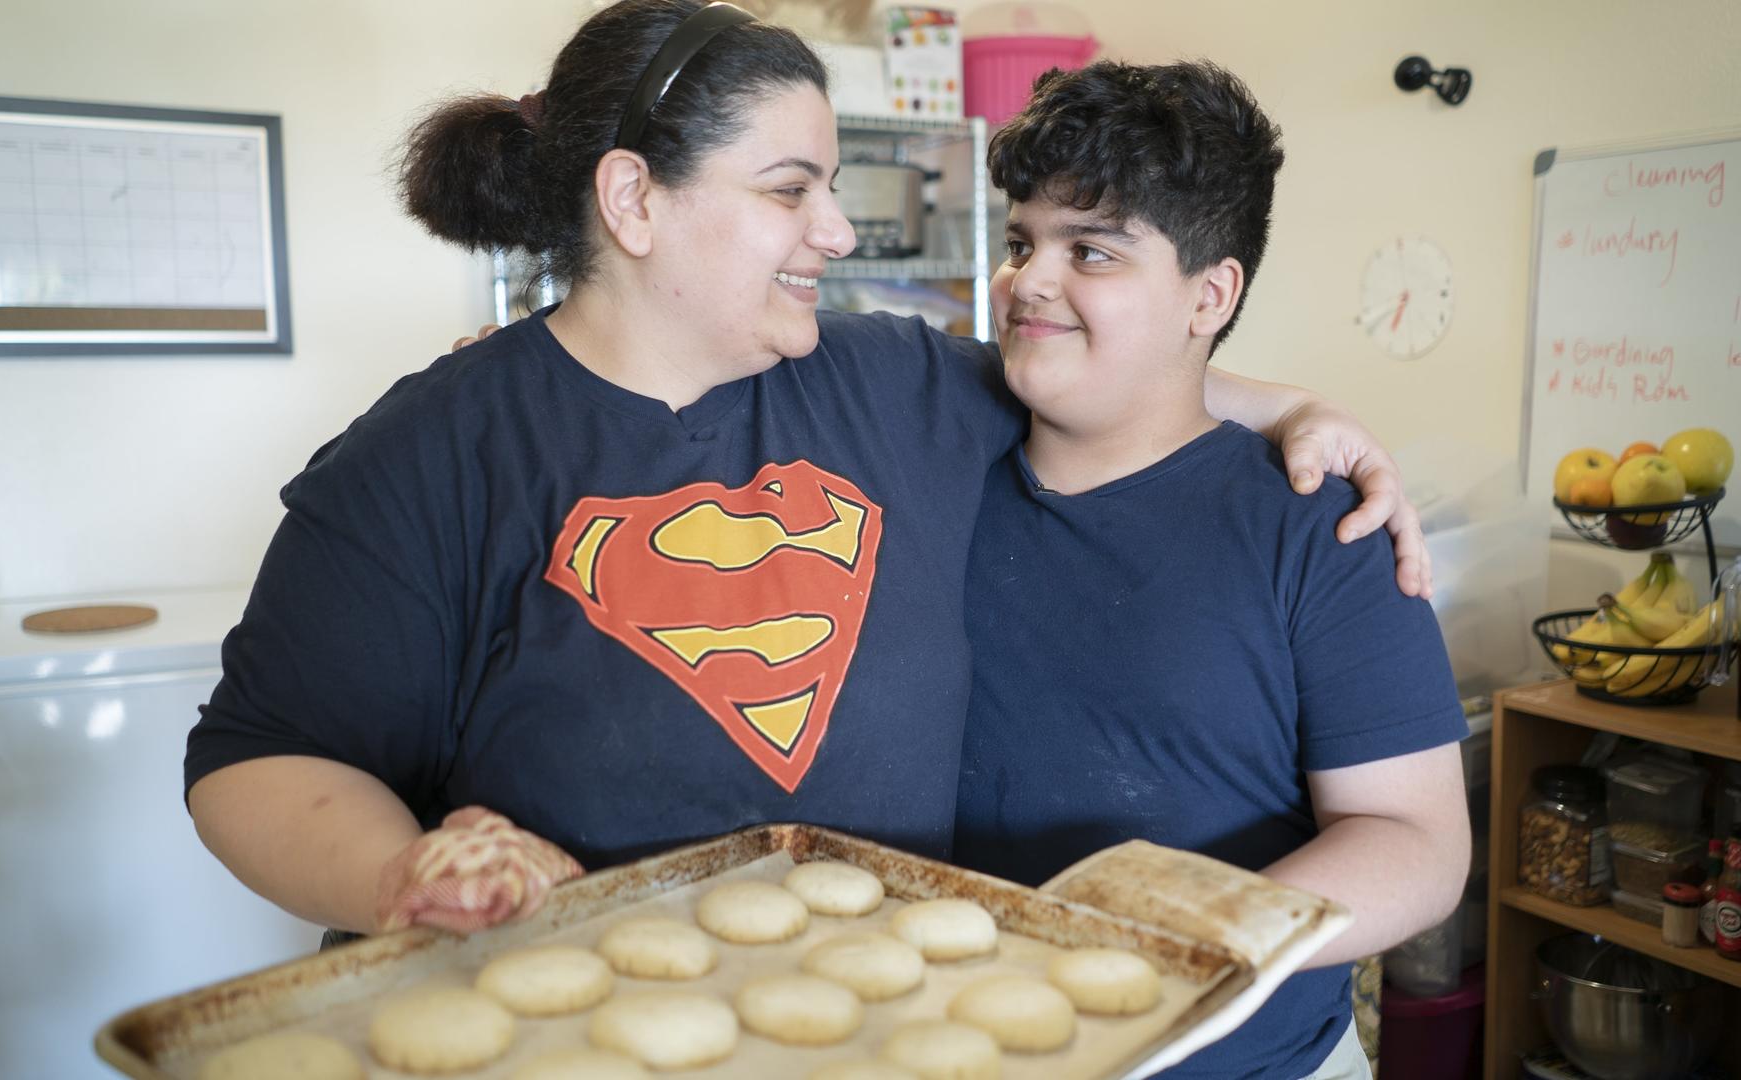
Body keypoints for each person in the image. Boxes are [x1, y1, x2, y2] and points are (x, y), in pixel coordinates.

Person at [185, 0, 1430, 941]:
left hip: (879, 1031)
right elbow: (257, 760)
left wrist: (1309, 409)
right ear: (633, 201)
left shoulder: (893, 384)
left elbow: (1109, 374)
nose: (836, 232)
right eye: (792, 190)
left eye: (831, 189)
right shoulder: (435, 449)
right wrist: (399, 875)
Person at [952, 60, 1470, 1080]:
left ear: (1210, 293)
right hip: (974, 1047)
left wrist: (1179, 944)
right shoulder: (937, 464)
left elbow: (1415, 841)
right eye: (1023, 242)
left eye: (1091, 250)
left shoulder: (1319, 522)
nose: (1030, 280)